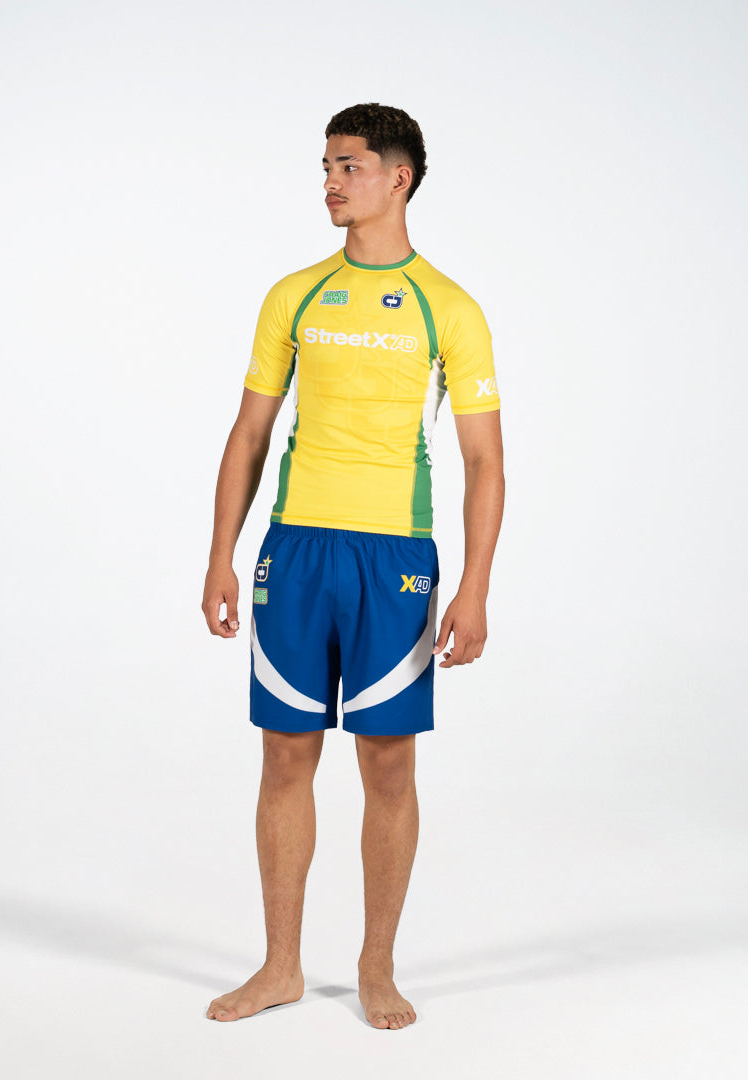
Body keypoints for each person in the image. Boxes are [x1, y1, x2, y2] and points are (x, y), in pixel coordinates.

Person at [201, 103, 504, 1030]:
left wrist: (475, 588)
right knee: (285, 755)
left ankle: (377, 964)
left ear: (398, 177)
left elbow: (485, 460)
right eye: (327, 166)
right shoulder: (294, 295)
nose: (331, 182)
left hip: (395, 557)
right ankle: (281, 966)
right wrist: (221, 555)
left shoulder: (448, 306)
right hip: (295, 549)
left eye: (350, 166)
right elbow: (250, 432)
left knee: (387, 764)